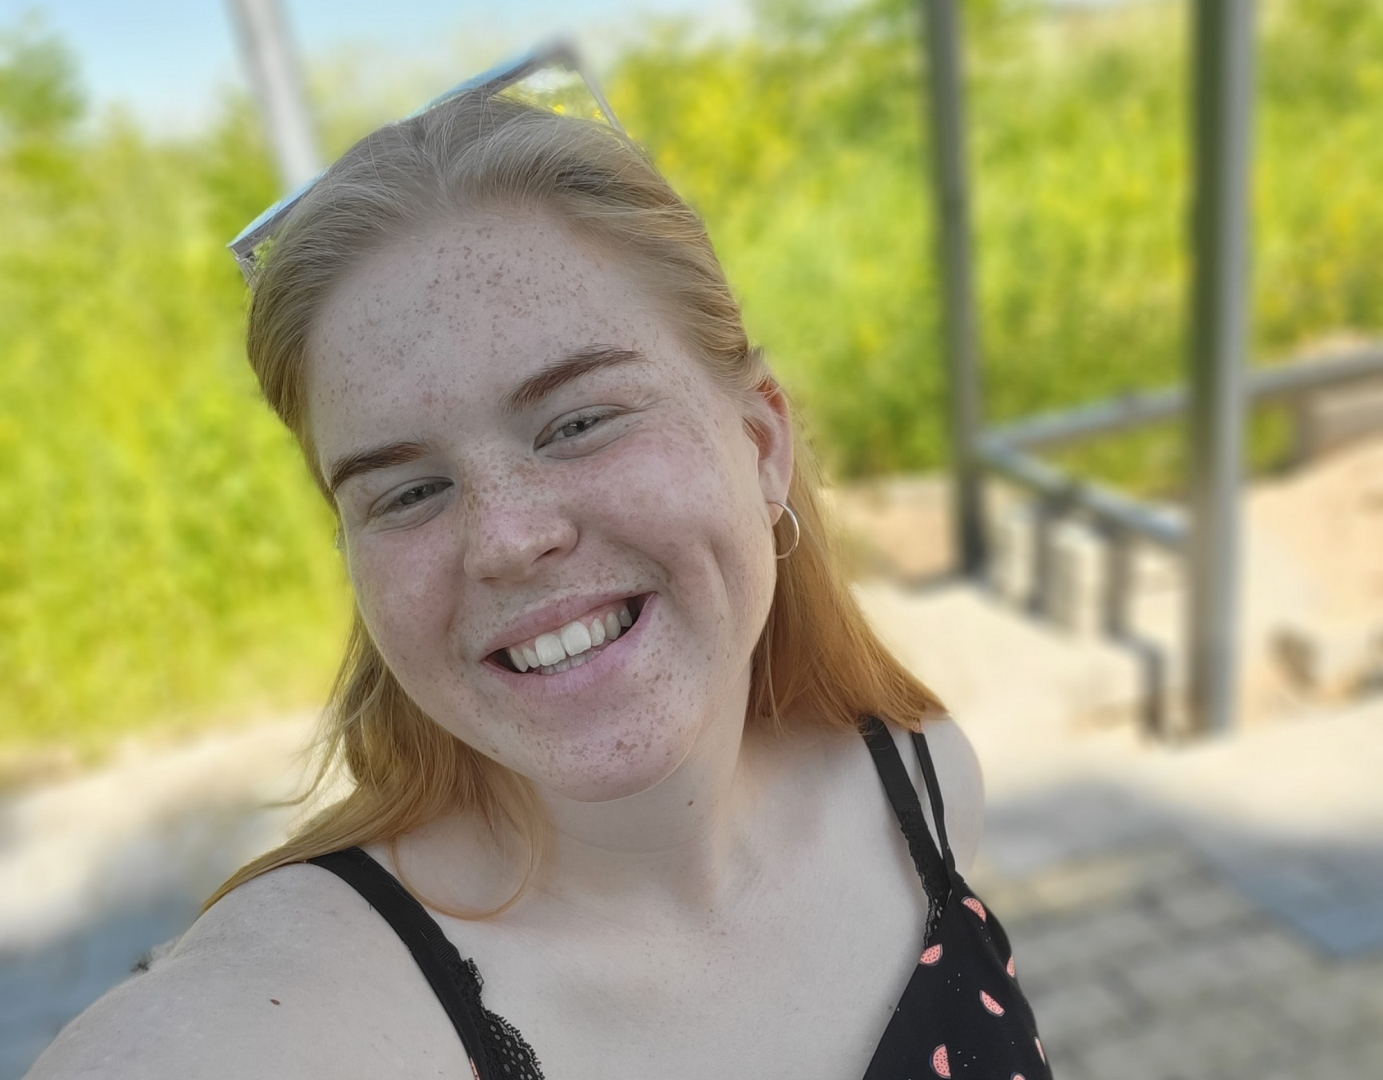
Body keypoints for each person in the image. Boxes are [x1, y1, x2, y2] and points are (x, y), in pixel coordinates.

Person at [27, 78, 1050, 1080]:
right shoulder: (290, 1019)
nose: (508, 539)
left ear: (760, 442)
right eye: (409, 492)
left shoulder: (920, 788)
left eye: (577, 422)